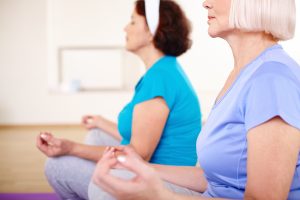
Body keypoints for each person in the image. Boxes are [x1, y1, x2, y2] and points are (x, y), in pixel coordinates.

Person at [91, 0, 300, 199]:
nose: (206, 3)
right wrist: (141, 167)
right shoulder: (241, 75)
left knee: (109, 188)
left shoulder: (271, 80)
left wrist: (162, 197)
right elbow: (215, 180)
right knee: (117, 176)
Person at [36, 0, 202, 199]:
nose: (125, 28)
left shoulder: (158, 80)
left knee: (57, 166)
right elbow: (138, 131)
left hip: (165, 179)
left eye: (132, 22)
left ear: (151, 32)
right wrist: (100, 122)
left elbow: (137, 156)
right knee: (97, 135)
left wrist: (70, 148)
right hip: (150, 164)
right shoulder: (164, 69)